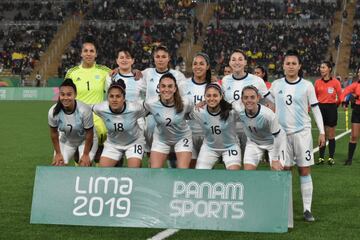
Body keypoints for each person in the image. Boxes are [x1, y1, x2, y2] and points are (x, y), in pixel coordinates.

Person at [270, 50, 325, 222]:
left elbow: (315, 108)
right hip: (282, 135)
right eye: (288, 63)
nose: (291, 66)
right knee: (285, 170)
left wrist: (322, 131)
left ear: (299, 66)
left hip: (302, 134)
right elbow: (268, 104)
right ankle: (284, 208)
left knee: (304, 169)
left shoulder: (307, 85)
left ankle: (307, 209)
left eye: (294, 63)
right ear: (283, 66)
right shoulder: (276, 84)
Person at [139, 45, 187, 167]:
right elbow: (134, 84)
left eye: (163, 57)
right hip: (152, 115)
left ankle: (172, 159)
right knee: (149, 125)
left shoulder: (177, 75)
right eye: (158, 57)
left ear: (168, 58)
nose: (160, 59)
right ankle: (151, 157)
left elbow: (183, 97)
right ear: (154, 58)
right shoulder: (146, 73)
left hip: (172, 113)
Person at [222, 49, 274, 159]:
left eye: (240, 59)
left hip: (250, 128)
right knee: (233, 164)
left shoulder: (256, 80)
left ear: (245, 62)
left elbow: (270, 101)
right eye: (234, 59)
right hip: (231, 128)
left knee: (248, 164)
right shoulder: (225, 80)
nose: (237, 62)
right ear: (230, 62)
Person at [65, 38, 111, 149]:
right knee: (80, 147)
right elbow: (65, 95)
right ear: (81, 54)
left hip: (98, 115)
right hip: (78, 115)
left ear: (96, 54)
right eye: (85, 51)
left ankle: (99, 160)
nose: (88, 54)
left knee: (101, 140)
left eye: (91, 51)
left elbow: (121, 73)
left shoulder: (105, 71)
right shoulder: (72, 72)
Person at [92, 80, 147, 168]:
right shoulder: (101, 108)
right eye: (111, 96)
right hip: (113, 144)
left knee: (134, 171)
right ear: (107, 98)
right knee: (102, 172)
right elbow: (84, 108)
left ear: (124, 98)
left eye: (118, 96)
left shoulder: (134, 108)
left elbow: (151, 108)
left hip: (134, 142)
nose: (114, 100)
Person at [144, 73, 193, 169]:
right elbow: (136, 112)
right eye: (163, 86)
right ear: (159, 88)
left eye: (170, 86)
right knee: (154, 171)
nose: (166, 89)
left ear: (175, 89)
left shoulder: (185, 102)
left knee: (183, 171)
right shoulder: (150, 103)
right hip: (161, 139)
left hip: (182, 138)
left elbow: (194, 113)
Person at [190, 83, 241, 170]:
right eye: (208, 96)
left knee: (233, 175)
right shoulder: (198, 111)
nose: (212, 98)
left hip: (230, 147)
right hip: (209, 148)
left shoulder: (231, 112)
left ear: (221, 96)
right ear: (204, 97)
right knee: (200, 175)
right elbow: (184, 115)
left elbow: (247, 115)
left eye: (215, 95)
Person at [48, 79, 98, 166]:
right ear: (59, 95)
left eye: (69, 94)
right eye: (62, 94)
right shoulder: (53, 111)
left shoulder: (84, 110)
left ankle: (81, 156)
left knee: (84, 165)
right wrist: (58, 153)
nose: (65, 98)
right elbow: (54, 133)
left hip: (85, 141)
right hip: (67, 140)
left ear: (75, 95)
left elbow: (89, 134)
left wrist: (86, 155)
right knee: (58, 164)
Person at [237, 86, 285, 171]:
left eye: (252, 97)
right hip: (254, 142)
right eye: (246, 98)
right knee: (248, 173)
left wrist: (274, 159)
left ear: (258, 98)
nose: (249, 100)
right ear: (242, 99)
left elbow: (278, 137)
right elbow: (228, 104)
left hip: (274, 143)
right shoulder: (239, 110)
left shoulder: (268, 115)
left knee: (277, 173)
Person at [180, 52, 212, 168]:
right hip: (188, 133)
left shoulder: (214, 86)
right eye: (195, 64)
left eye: (201, 64)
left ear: (207, 66)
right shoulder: (183, 85)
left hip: (208, 134)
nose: (198, 66)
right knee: (190, 168)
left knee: (205, 170)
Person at [314, 61, 342, 165]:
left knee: (331, 134)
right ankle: (321, 158)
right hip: (320, 108)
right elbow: (314, 97)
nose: (321, 69)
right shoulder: (317, 82)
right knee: (322, 133)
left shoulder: (335, 82)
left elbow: (341, 96)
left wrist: (335, 105)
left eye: (324, 67)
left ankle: (330, 157)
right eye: (321, 67)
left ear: (329, 69)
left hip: (331, 108)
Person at [340, 66, 360, 165]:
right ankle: (349, 159)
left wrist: (356, 96)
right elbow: (344, 93)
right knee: (354, 136)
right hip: (357, 111)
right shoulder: (355, 85)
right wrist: (344, 102)